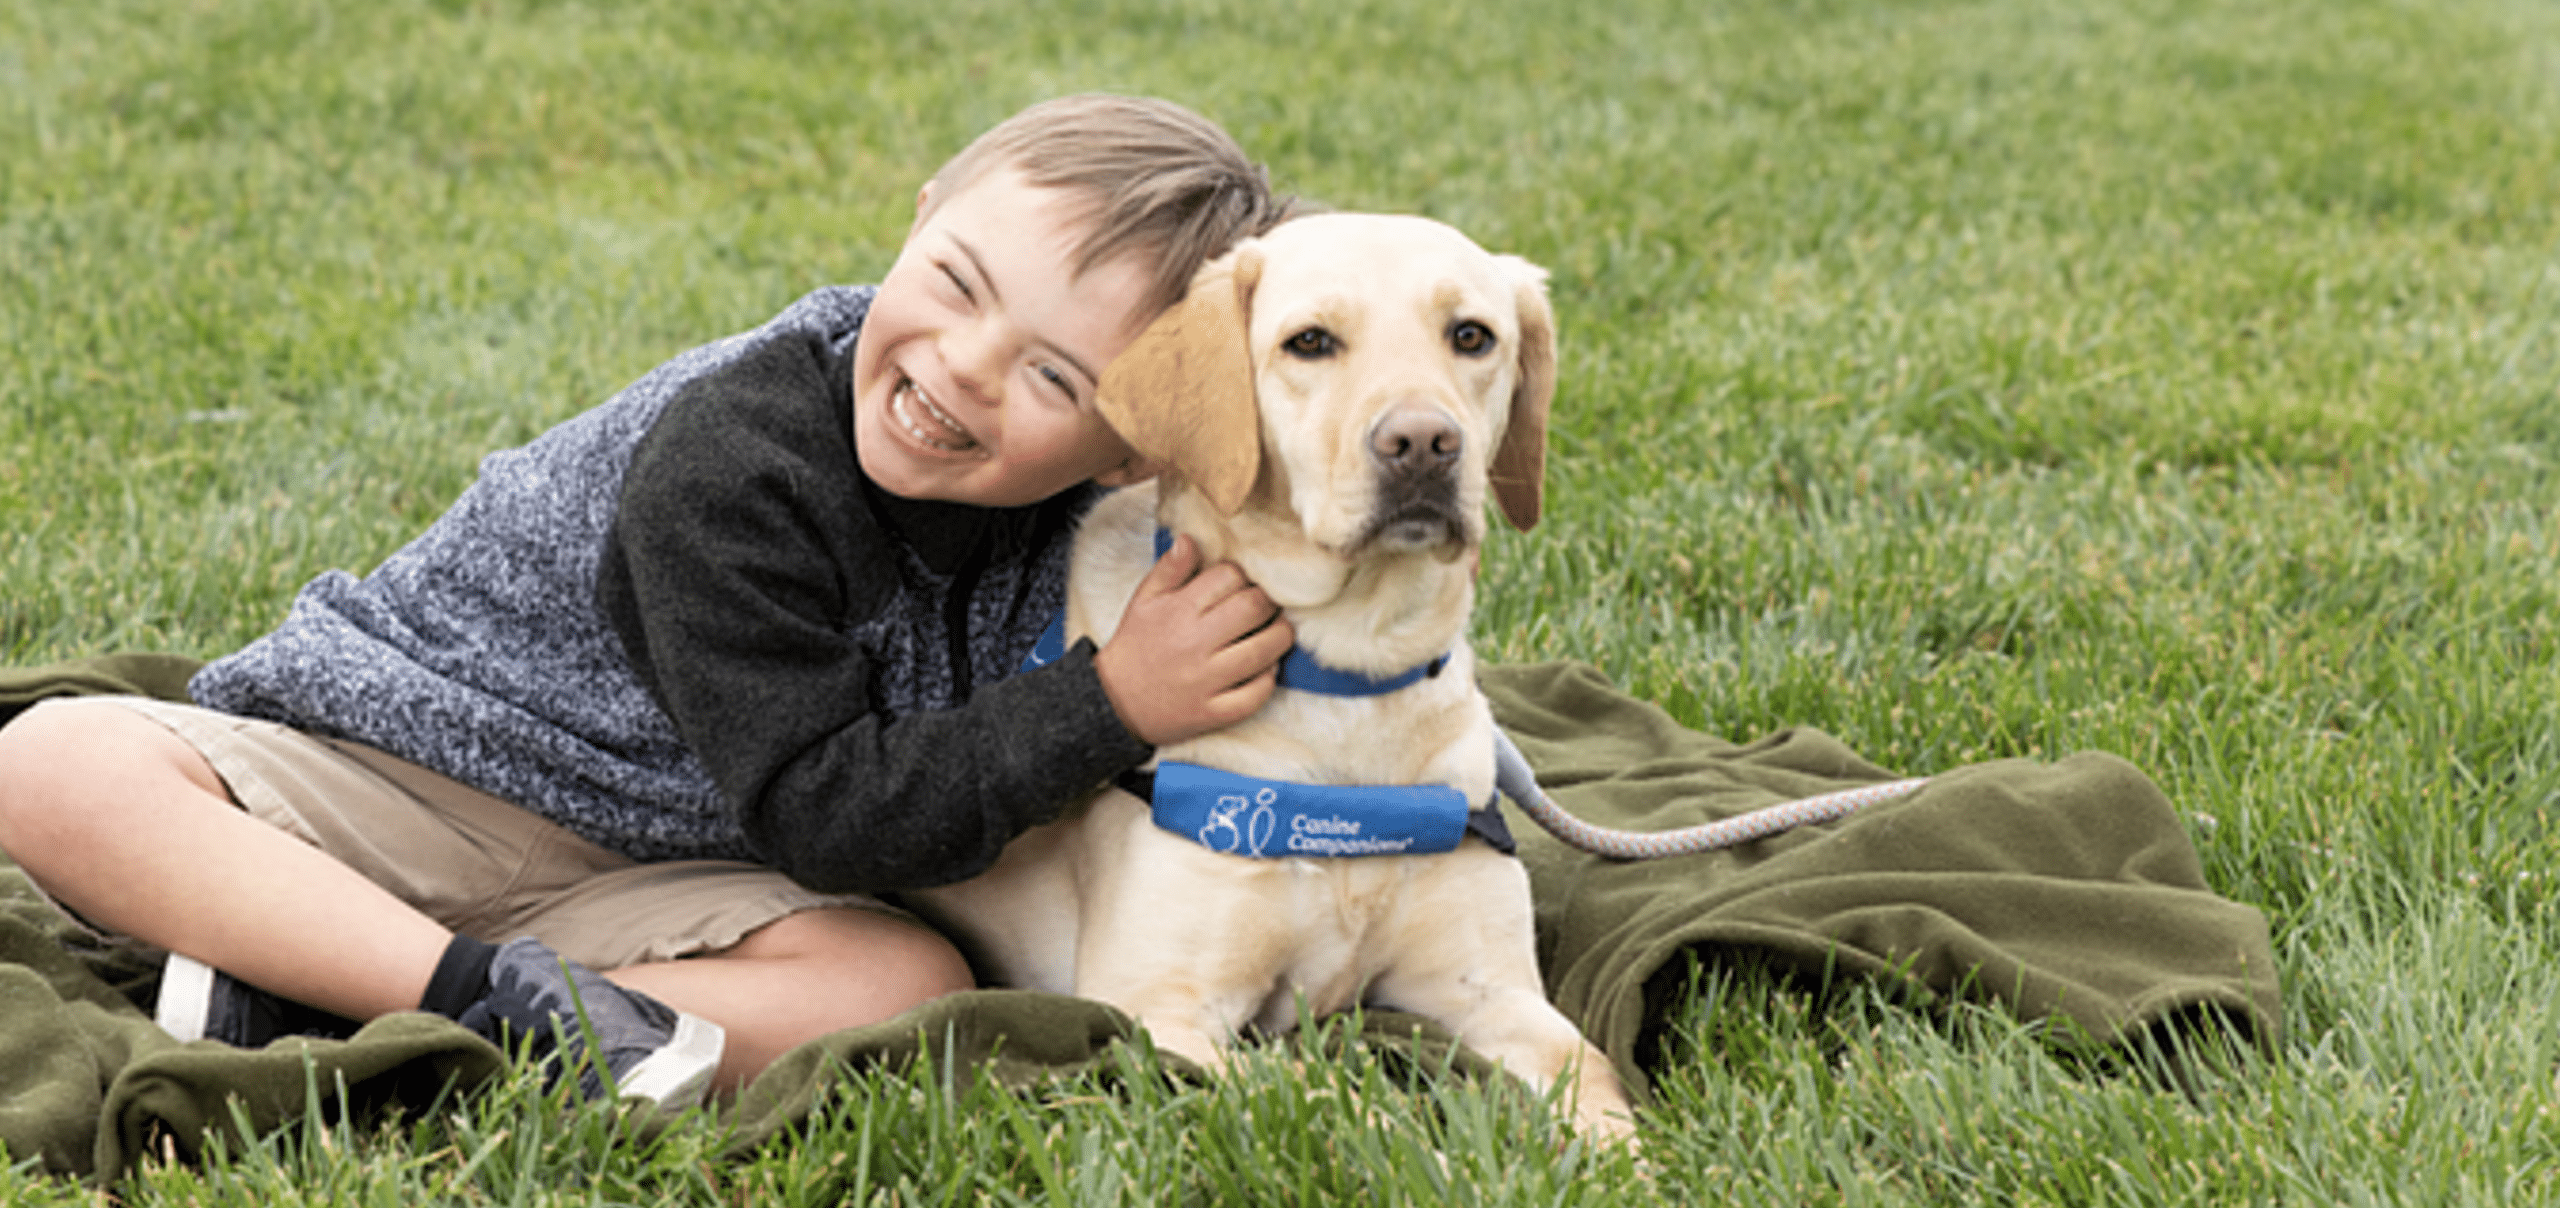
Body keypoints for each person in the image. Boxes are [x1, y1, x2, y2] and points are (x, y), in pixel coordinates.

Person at [0, 93, 1298, 1107]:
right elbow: (829, 811)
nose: (961, 368)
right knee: (54, 765)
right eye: (957, 283)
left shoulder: (1104, 516)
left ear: (1138, 447)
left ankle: (343, 998)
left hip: (658, 875)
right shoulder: (737, 461)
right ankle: (476, 1004)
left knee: (903, 984)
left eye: (1055, 378)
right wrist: (1112, 700)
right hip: (399, 779)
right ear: (916, 219)